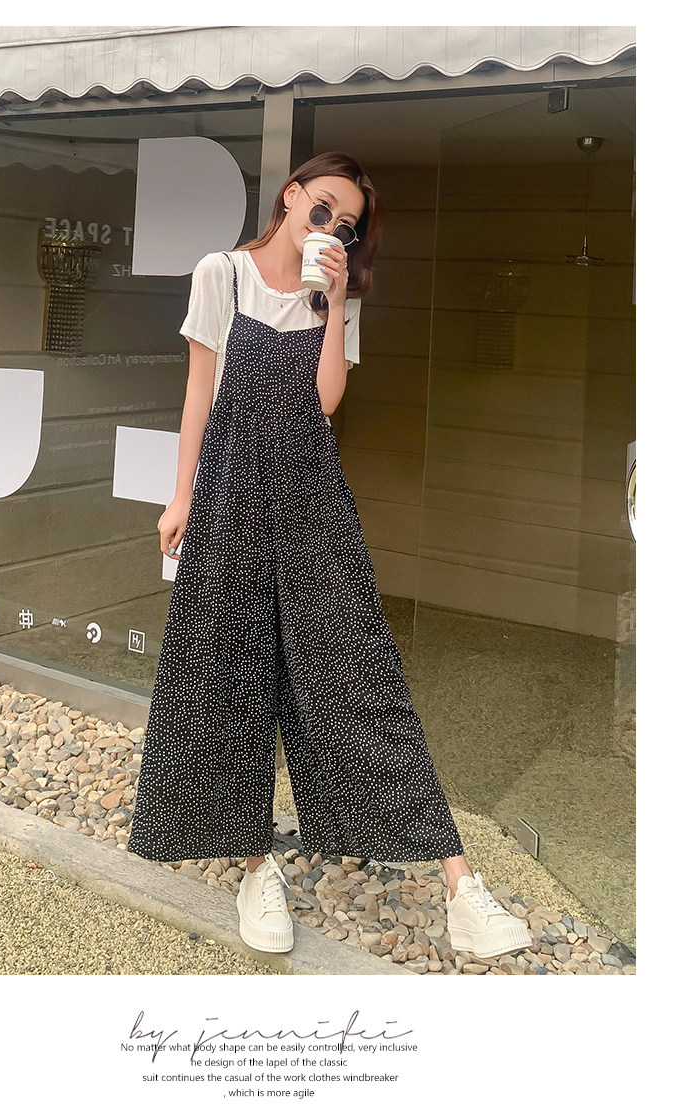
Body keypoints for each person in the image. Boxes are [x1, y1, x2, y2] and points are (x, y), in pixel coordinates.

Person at [128, 151, 531, 962]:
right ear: (291, 197)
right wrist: (181, 497)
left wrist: (338, 300)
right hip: (232, 495)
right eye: (323, 211)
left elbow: (322, 403)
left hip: (312, 503)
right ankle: (254, 867)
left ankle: (460, 887)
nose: (331, 230)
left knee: (359, 673)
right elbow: (199, 392)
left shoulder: (335, 297)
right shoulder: (222, 275)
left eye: (346, 226)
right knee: (226, 676)